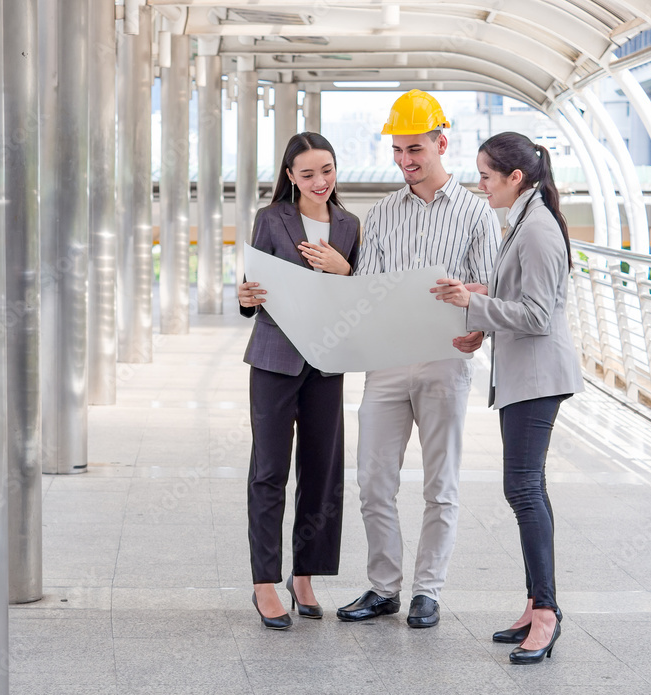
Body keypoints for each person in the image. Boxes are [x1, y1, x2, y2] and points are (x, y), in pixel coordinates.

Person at [336, 91, 500, 628]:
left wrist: (473, 315)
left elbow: (491, 287)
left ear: (440, 143)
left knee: (441, 483)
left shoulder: (478, 213)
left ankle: (427, 590)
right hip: (385, 362)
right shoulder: (381, 213)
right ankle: (383, 587)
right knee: (373, 480)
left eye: (416, 150)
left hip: (445, 360)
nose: (406, 161)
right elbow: (366, 289)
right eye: (398, 150)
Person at [433, 131, 584, 664]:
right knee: (524, 488)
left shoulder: (537, 228)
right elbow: (517, 299)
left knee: (523, 490)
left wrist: (474, 309)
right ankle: (535, 604)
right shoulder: (524, 218)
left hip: (539, 377)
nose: (480, 185)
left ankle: (546, 613)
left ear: (514, 177)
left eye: (486, 176)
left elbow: (540, 316)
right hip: (526, 376)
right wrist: (478, 308)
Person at [238, 132, 361, 630]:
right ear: (290, 176)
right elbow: (252, 289)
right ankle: (265, 582)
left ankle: (305, 575)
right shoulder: (272, 219)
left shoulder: (350, 225)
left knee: (322, 471)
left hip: (327, 360)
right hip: (274, 358)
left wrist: (345, 268)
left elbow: (362, 297)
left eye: (327, 170)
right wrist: (246, 295)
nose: (319, 181)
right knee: (269, 469)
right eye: (307, 173)